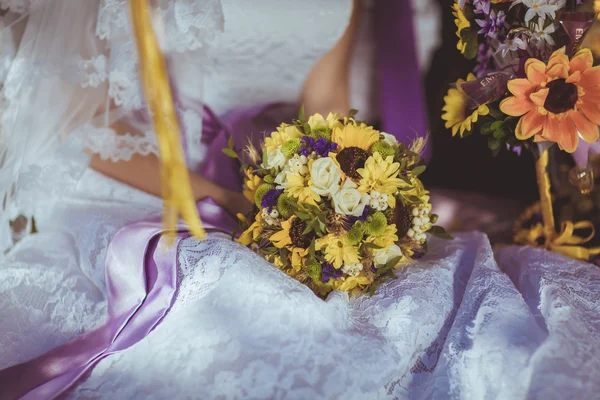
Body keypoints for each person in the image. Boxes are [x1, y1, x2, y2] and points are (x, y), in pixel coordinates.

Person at [1, 1, 599, 399]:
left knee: (433, 290)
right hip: (147, 182)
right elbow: (78, 124)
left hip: (272, 179)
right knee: (228, 293)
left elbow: (325, 95)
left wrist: (339, 179)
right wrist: (231, 198)